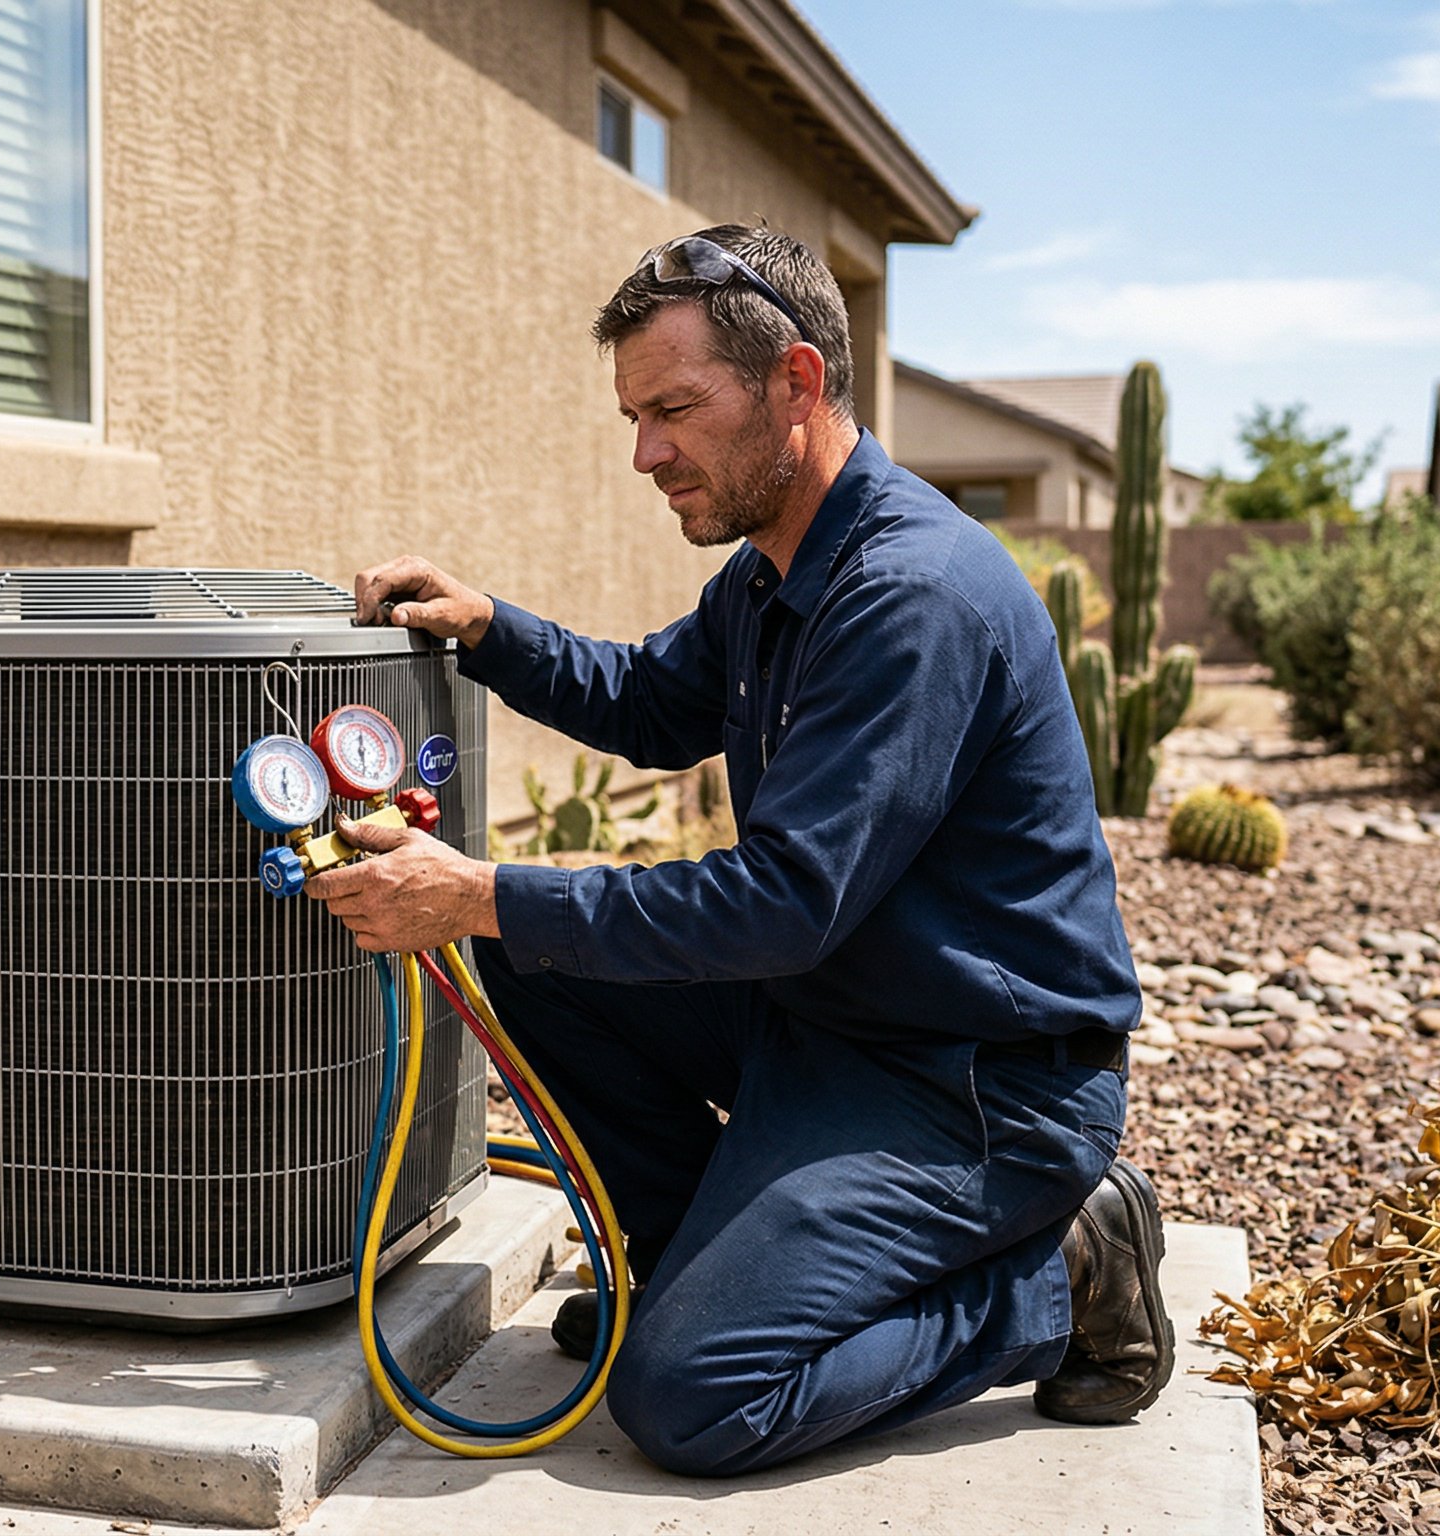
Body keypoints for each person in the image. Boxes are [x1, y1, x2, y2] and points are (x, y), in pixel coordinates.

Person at [311, 222, 1173, 1476]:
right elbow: (651, 703)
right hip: (833, 1020)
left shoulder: (907, 595)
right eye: (632, 417)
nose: (646, 453)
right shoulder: (774, 571)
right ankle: (690, 1277)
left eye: (673, 409)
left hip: (973, 1083)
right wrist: (490, 628)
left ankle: (1063, 1270)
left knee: (692, 1403)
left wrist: (481, 892)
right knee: (539, 961)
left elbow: (780, 904)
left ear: (796, 384)